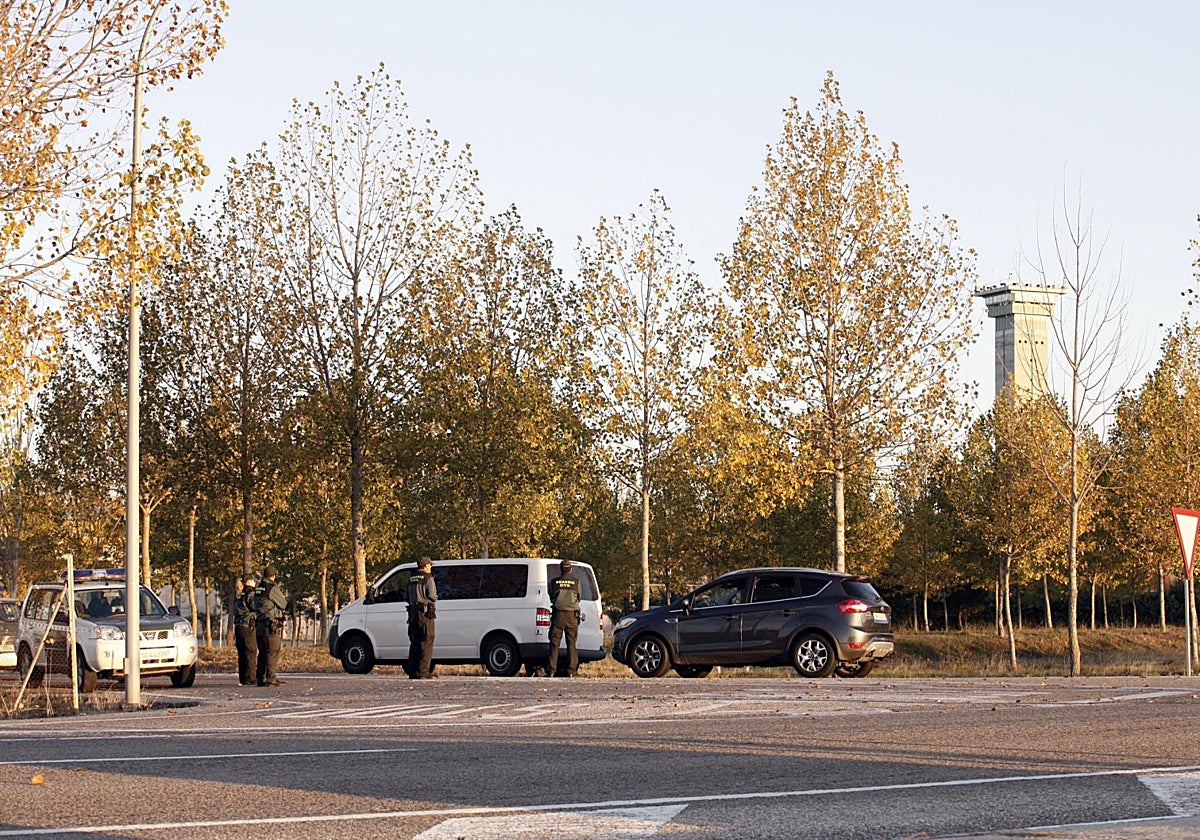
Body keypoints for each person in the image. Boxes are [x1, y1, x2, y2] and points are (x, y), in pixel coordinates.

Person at [253, 565, 288, 687]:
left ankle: (260, 678)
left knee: (262, 651)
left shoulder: (258, 587)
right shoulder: (271, 588)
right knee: (273, 650)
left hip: (259, 622)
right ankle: (270, 677)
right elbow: (283, 604)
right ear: (273, 576)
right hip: (270, 623)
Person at [547, 559, 581, 677]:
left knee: (554, 643)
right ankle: (572, 671)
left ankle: (551, 670)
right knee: (571, 643)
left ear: (561, 569)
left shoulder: (554, 582)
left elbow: (551, 596)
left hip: (558, 615)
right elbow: (579, 597)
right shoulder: (576, 583)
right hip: (572, 615)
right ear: (570, 569)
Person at [405, 556, 437, 679]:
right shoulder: (428, 578)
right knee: (427, 641)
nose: (431, 567)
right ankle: (423, 672)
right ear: (425, 566)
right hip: (425, 613)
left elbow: (406, 597)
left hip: (412, 613)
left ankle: (412, 672)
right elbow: (433, 596)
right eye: (429, 565)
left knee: (415, 642)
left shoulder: (411, 578)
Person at [233, 575, 258, 686]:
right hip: (248, 626)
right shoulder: (249, 593)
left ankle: (243, 678)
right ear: (249, 582)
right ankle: (251, 678)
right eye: (253, 581)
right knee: (251, 652)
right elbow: (255, 606)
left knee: (242, 653)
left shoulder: (239, 594)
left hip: (238, 626)